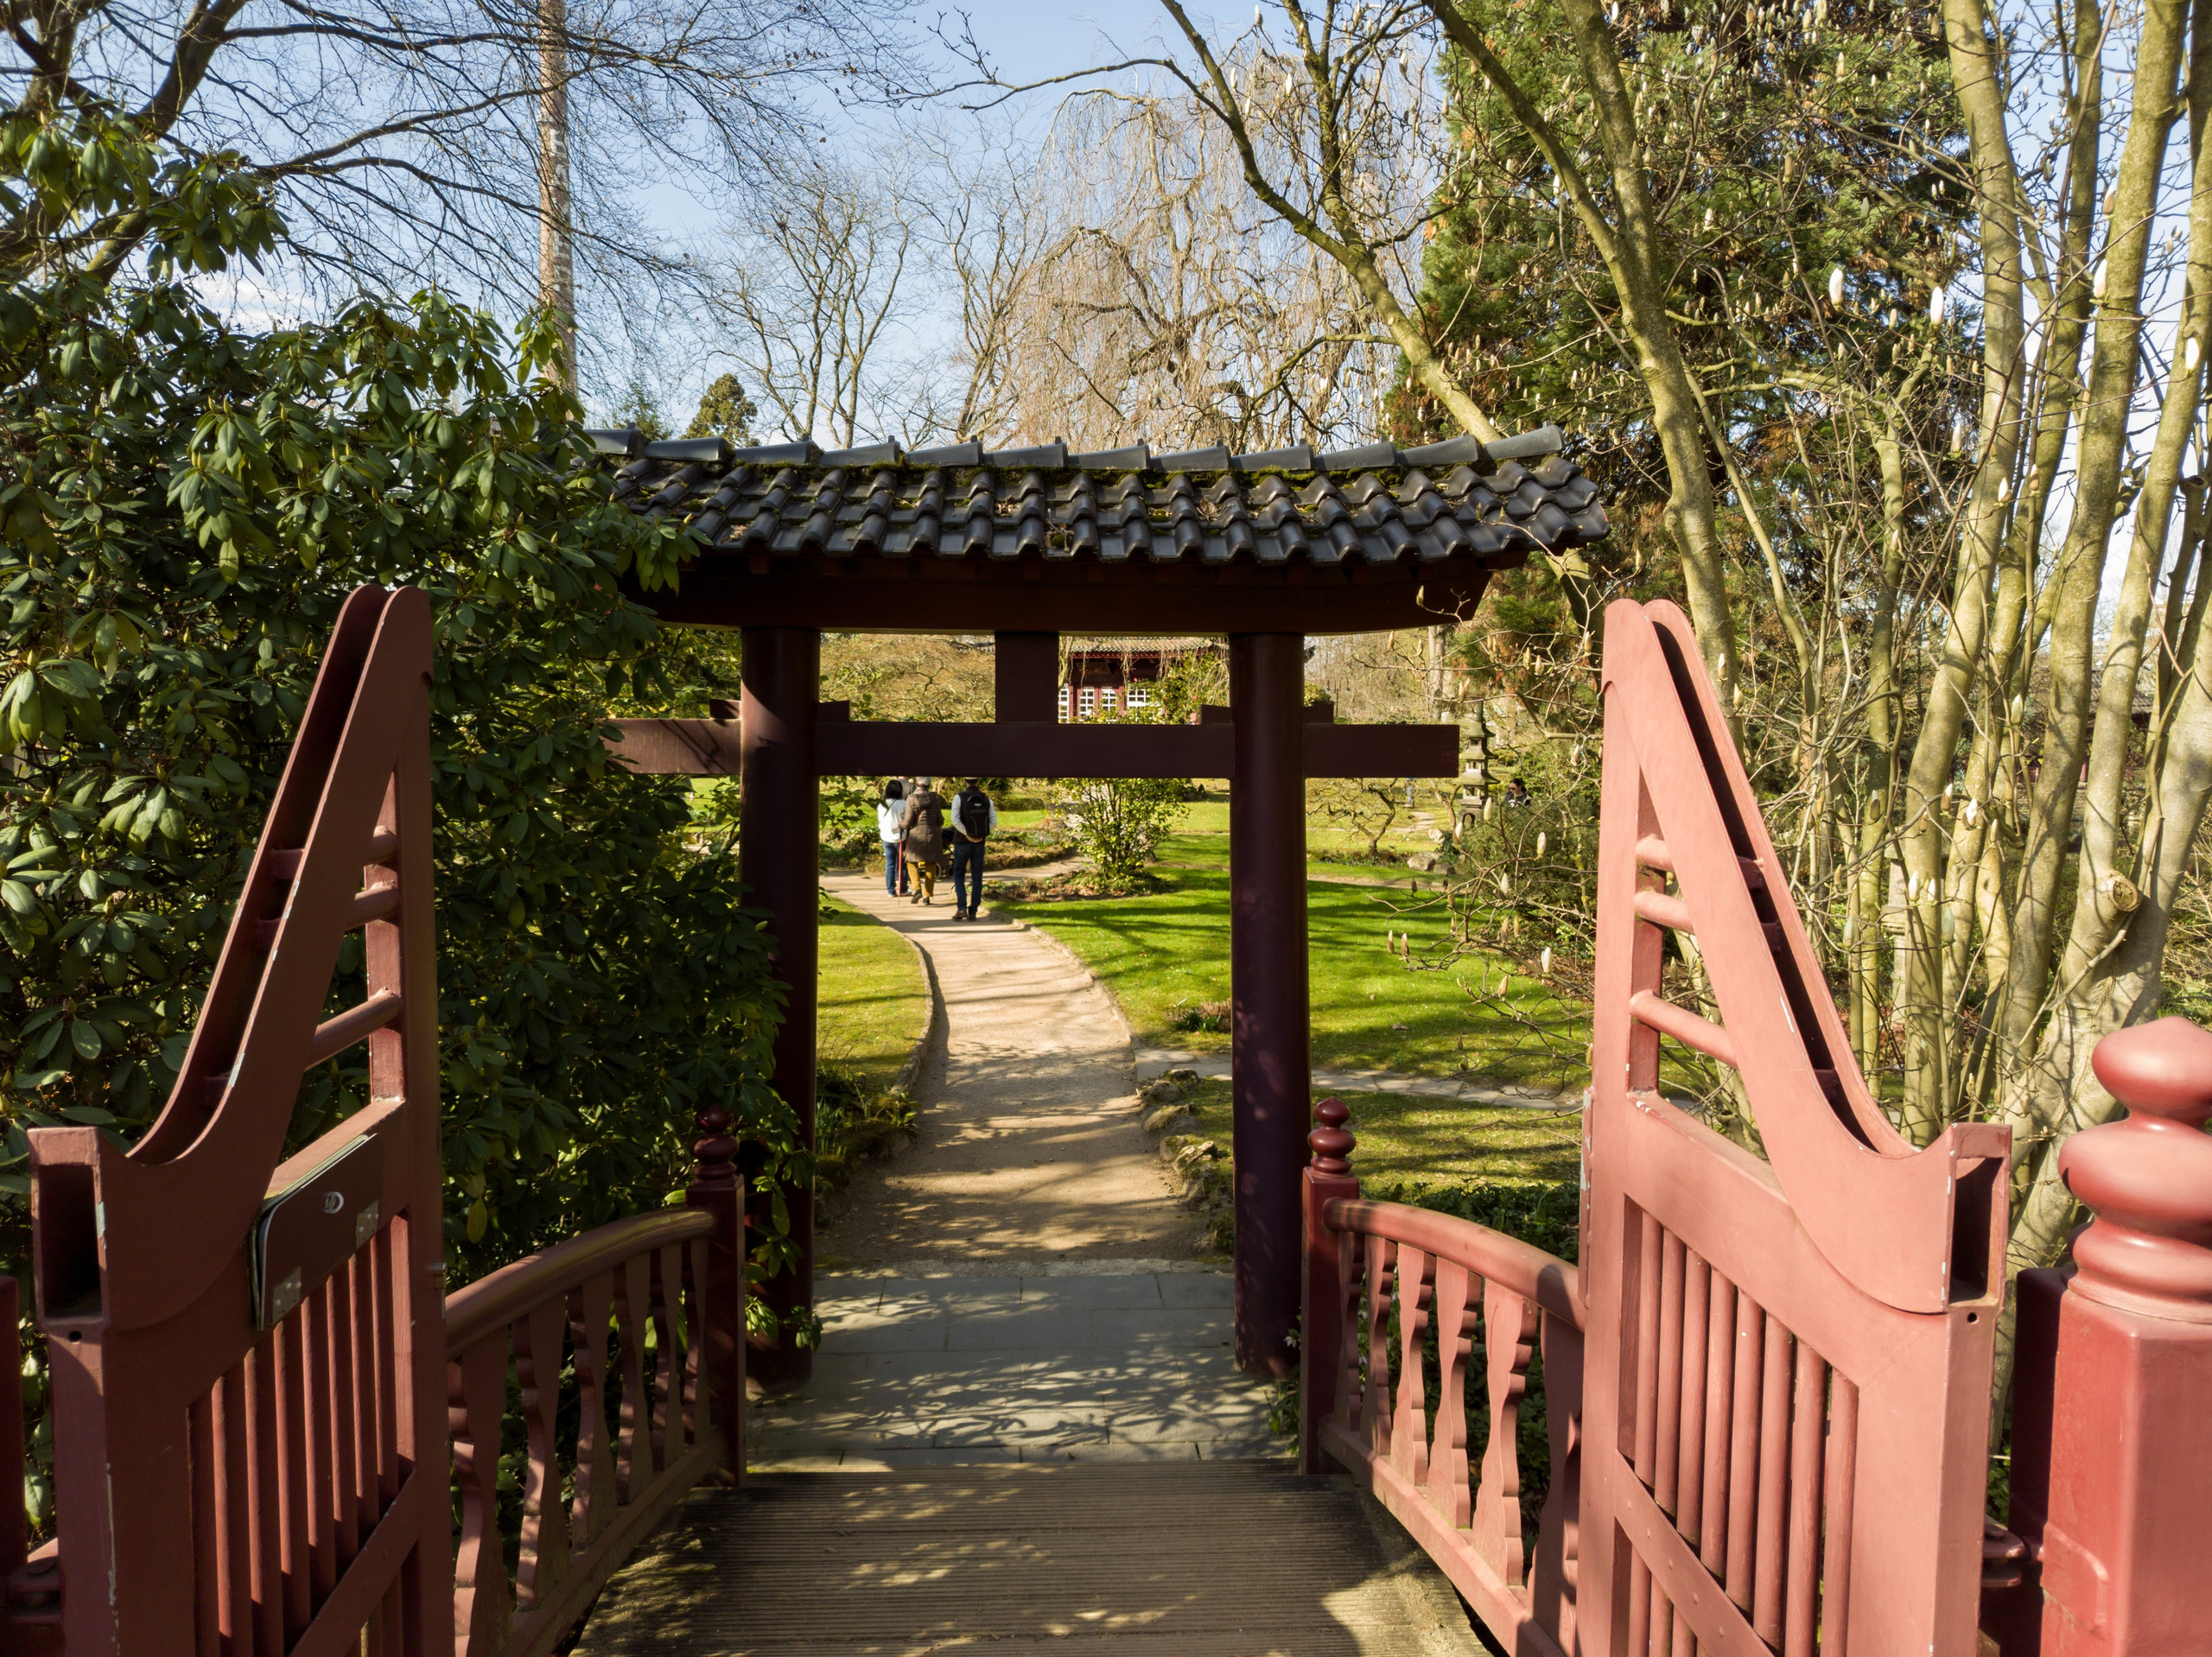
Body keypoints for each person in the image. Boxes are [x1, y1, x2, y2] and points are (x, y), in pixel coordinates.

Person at [948, 776, 999, 921]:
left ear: (964, 781)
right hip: (979, 844)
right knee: (977, 876)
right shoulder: (987, 799)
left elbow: (955, 820)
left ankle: (962, 908)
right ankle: (973, 911)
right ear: (978, 781)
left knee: (959, 874)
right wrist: (980, 836)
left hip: (962, 843)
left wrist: (968, 834)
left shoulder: (959, 798)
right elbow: (993, 822)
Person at [901, 777, 948, 906]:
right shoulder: (936, 799)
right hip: (933, 835)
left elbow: (908, 822)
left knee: (911, 862)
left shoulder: (911, 799)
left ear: (916, 783)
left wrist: (900, 825)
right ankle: (927, 896)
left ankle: (917, 889)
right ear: (929, 784)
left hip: (916, 836)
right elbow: (940, 821)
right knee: (931, 865)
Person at [877, 779, 909, 898]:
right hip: (900, 837)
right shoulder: (903, 804)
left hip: (886, 836)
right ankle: (903, 888)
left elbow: (880, 820)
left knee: (890, 864)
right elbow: (907, 820)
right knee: (901, 864)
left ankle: (891, 890)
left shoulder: (882, 804)